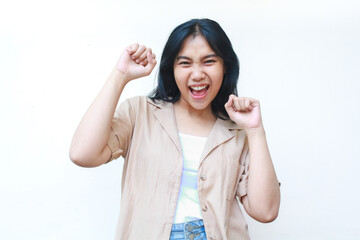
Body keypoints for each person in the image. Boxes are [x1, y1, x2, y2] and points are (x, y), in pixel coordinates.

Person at [69, 18, 280, 240]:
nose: (197, 74)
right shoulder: (140, 113)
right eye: (185, 63)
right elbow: (82, 154)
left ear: (225, 66)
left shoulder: (237, 131)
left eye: (209, 61)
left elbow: (265, 211)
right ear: (171, 68)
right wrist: (120, 75)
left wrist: (255, 132)